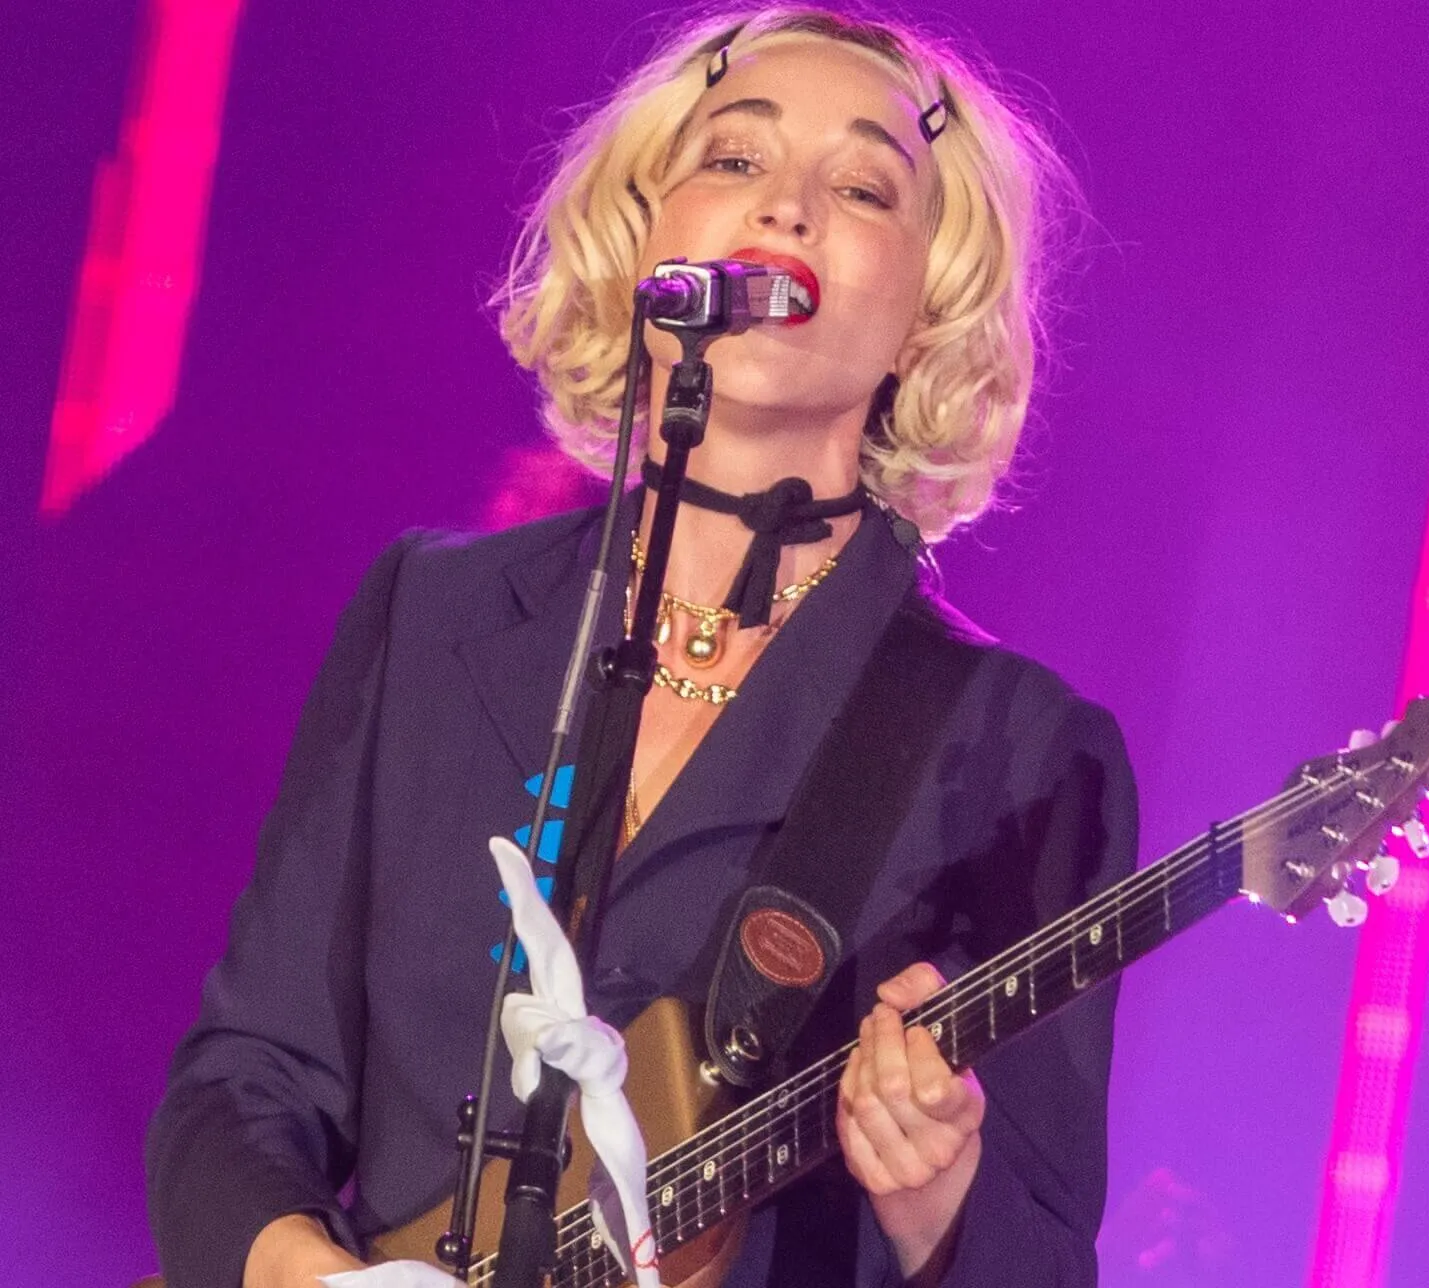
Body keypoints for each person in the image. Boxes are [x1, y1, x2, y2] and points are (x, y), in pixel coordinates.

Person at [146, 6, 1138, 1286]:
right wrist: (312, 1273)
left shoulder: (1014, 748)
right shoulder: (428, 613)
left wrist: (938, 1197)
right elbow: (246, 1077)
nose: (783, 210)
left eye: (859, 186)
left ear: (928, 310)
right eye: (733, 160)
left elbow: (1040, 1266)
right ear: (642, 238)